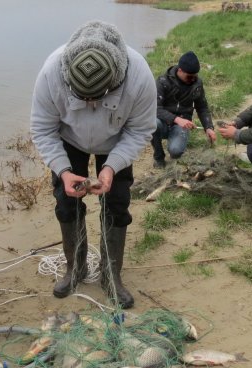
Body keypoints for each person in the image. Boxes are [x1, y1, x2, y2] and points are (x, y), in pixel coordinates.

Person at [30, 20, 157, 309]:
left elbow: (140, 130)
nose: (89, 105)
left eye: (95, 98)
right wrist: (63, 171)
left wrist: (111, 167)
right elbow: (42, 129)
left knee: (117, 204)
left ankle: (111, 275)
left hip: (115, 142)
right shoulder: (52, 71)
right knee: (66, 203)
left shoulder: (139, 76)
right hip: (69, 140)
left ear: (115, 80)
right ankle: (76, 268)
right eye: (81, 97)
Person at [151, 51, 216, 168]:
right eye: (189, 77)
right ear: (180, 70)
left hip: (182, 125)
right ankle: (159, 157)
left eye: (195, 76)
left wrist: (209, 127)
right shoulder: (162, 81)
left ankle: (174, 148)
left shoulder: (197, 84)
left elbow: (202, 107)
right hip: (162, 122)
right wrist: (176, 119)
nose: (193, 80)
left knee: (175, 152)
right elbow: (155, 108)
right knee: (152, 123)